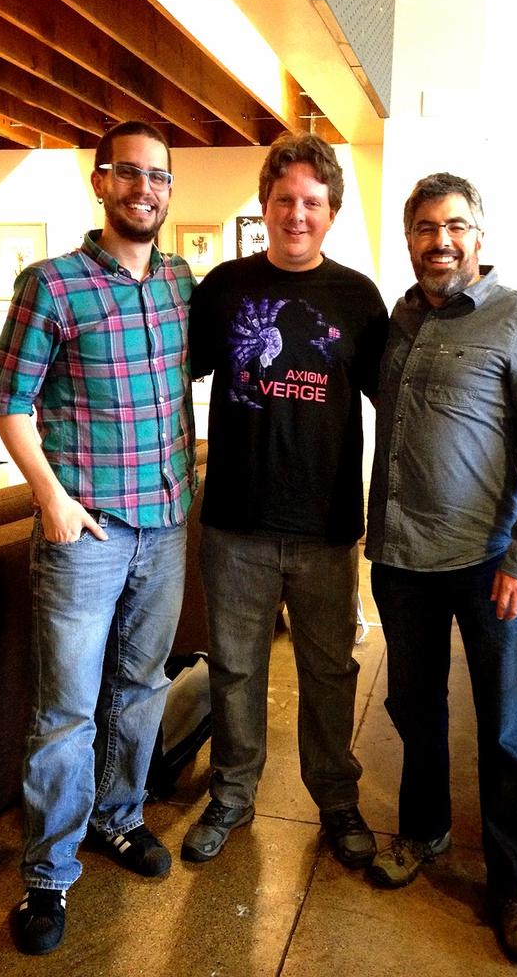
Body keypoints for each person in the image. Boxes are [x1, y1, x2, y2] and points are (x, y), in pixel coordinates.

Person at [0, 121, 196, 955]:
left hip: (165, 524)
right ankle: (48, 874)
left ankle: (118, 817)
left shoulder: (179, 282)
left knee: (140, 688)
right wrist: (52, 499)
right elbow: (9, 401)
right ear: (100, 181)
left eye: (159, 177)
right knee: (65, 711)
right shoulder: (52, 284)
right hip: (87, 534)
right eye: (129, 174)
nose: (146, 189)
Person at [365, 173, 517, 967]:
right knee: (414, 709)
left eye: (455, 226)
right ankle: (424, 831)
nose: (440, 241)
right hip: (400, 558)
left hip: (490, 565)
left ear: (479, 237)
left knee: (505, 728)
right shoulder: (400, 318)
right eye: (425, 227)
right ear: (410, 238)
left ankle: (515, 886)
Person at [183, 131, 388, 868]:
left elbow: (398, 406)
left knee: (330, 672)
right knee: (236, 668)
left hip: (326, 527)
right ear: (265, 206)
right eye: (284, 200)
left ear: (331, 212)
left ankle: (336, 800)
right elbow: (165, 379)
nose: (296, 214)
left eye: (311, 202)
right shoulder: (223, 289)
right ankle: (232, 795)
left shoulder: (358, 299)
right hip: (235, 521)